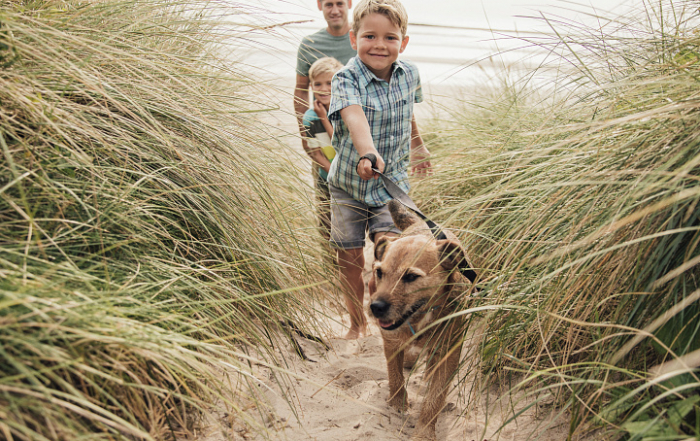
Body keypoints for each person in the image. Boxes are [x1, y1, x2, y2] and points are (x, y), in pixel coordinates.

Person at [326, 0, 431, 339]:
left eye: (390, 38)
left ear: (403, 42)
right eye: (370, 36)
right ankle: (356, 323)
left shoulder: (409, 74)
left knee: (393, 247)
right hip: (349, 184)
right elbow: (354, 116)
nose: (380, 45)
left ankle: (394, 308)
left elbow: (407, 112)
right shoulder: (345, 78)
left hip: (392, 183)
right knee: (350, 254)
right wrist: (367, 152)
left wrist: (418, 145)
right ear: (354, 39)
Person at [294, 0, 356, 168]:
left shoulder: (361, 40)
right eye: (329, 4)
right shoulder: (309, 44)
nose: (334, 10)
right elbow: (301, 91)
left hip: (354, 131)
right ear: (320, 5)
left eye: (339, 4)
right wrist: (305, 135)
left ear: (349, 3)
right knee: (324, 186)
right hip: (320, 132)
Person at [302, 57, 345, 243]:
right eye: (317, 84)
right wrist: (330, 170)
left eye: (330, 83)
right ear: (311, 86)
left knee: (348, 223)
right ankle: (329, 264)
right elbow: (315, 152)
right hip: (325, 177)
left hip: (350, 177)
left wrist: (325, 118)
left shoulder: (347, 111)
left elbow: (342, 143)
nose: (323, 88)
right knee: (326, 222)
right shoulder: (310, 118)